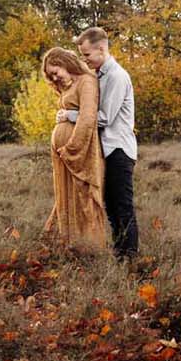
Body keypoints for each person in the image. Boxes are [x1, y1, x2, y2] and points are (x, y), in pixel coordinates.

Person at [57, 26, 138, 258]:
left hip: (119, 150)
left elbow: (104, 117)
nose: (85, 60)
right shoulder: (99, 75)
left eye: (87, 55)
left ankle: (130, 258)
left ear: (101, 49)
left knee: (122, 207)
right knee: (111, 208)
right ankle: (119, 253)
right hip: (107, 150)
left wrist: (71, 116)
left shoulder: (116, 76)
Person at [40, 46, 109, 251]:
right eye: (51, 75)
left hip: (78, 153)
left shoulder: (86, 82)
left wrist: (71, 149)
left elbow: (88, 119)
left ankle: (89, 248)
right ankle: (68, 244)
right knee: (66, 196)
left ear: (65, 64)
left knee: (83, 197)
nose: (55, 78)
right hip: (63, 156)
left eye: (56, 72)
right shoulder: (67, 86)